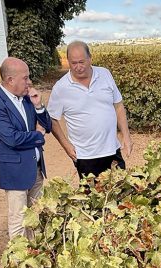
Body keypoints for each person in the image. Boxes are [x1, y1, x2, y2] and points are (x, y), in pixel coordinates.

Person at [0, 57, 52, 239]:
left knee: (38, 216)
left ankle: (39, 257)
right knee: (19, 221)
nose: (29, 82)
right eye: (25, 78)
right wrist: (38, 136)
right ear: (10, 80)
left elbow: (48, 126)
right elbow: (12, 138)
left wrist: (39, 106)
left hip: (36, 170)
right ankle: (19, 263)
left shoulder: (27, 98)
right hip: (15, 173)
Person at [47, 40, 134, 178]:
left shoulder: (105, 74)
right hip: (85, 156)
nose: (78, 67)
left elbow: (118, 105)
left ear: (90, 59)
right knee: (91, 197)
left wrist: (126, 135)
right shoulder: (61, 87)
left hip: (113, 150)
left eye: (82, 62)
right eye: (73, 63)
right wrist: (66, 146)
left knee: (120, 193)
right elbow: (52, 119)